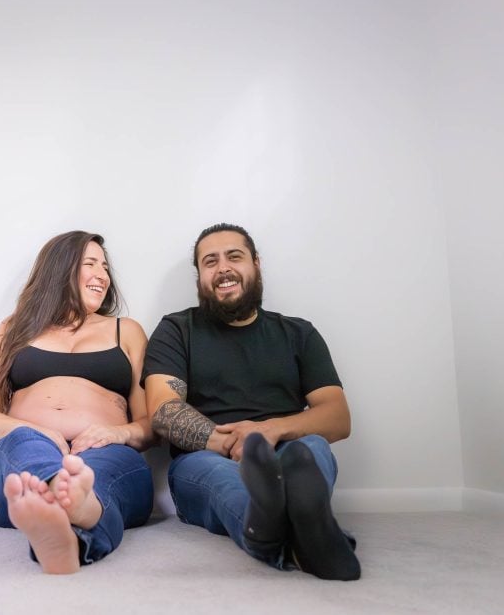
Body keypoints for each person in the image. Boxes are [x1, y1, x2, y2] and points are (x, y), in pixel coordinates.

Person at [142, 223, 361, 581]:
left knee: (313, 448)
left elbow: (337, 417)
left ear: (256, 264)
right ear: (200, 277)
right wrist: (236, 443)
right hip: (203, 458)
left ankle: (288, 535)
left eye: (234, 256)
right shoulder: (177, 329)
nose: (223, 268)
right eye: (210, 261)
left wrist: (268, 431)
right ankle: (309, 536)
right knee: (224, 479)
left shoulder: (298, 333)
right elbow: (164, 412)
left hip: (287, 448)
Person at [0, 231, 154, 574]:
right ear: (60, 269)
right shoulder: (13, 329)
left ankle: (67, 520)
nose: (103, 275)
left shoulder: (126, 331)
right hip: (22, 456)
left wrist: (116, 434)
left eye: (105, 266)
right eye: (90, 264)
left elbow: (150, 426)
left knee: (95, 477)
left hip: (104, 452)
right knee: (25, 443)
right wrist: (38, 432)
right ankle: (61, 493)